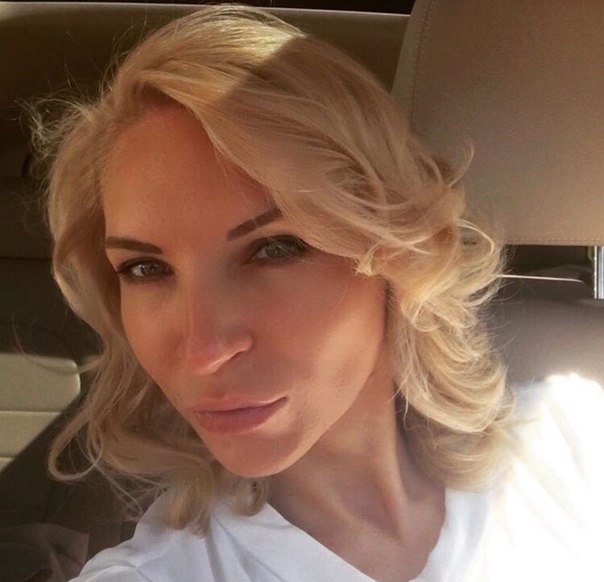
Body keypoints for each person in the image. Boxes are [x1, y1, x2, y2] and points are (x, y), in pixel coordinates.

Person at [32, 5, 603, 581]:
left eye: (274, 249)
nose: (203, 351)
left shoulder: (573, 440)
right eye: (145, 269)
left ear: (395, 250)